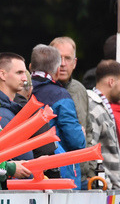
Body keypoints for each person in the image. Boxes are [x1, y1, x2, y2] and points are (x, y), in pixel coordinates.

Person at [29, 44, 85, 185]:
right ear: (57, 70)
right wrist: (82, 135)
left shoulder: (19, 91)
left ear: (30, 67)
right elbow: (76, 142)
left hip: (27, 166)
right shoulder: (60, 95)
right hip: (60, 170)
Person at [83, 60, 120, 189]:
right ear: (111, 82)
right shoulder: (94, 108)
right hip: (104, 191)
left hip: (110, 190)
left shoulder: (102, 106)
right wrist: (106, 185)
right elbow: (91, 151)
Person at [50, 36, 89, 133]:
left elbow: (88, 128)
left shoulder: (80, 90)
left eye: (67, 58)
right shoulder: (39, 89)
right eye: (58, 58)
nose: (63, 63)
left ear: (74, 63)